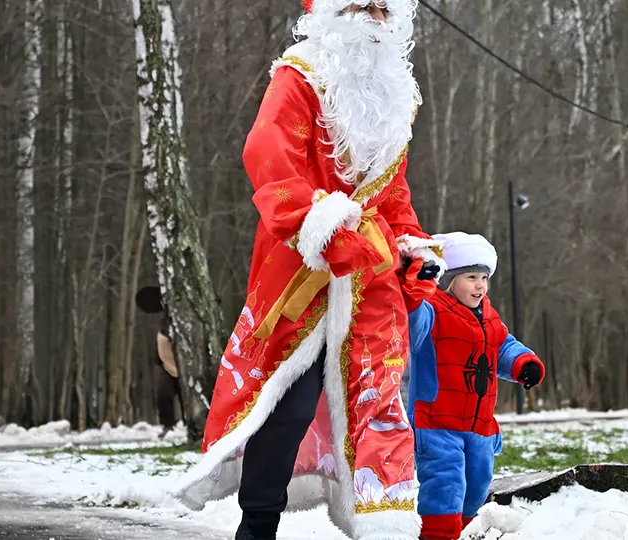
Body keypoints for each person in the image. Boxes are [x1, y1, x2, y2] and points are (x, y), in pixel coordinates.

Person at [170, 2, 444, 539]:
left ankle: (382, 527)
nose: (373, 18)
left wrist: (411, 246)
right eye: (360, 5)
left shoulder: (396, 94)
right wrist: (318, 223)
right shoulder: (300, 75)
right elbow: (267, 153)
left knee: (379, 412)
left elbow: (393, 193)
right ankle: (258, 526)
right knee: (285, 407)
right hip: (301, 272)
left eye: (384, 9)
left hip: (370, 284)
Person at [401, 232, 544, 540]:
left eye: (484, 277)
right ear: (449, 280)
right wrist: (415, 290)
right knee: (445, 483)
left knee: (477, 484)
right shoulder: (432, 309)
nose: (481, 285)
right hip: (437, 420)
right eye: (471, 277)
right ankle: (438, 533)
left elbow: (504, 346)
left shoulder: (489, 317)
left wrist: (523, 363)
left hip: (480, 425)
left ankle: (455, 528)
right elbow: (412, 324)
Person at [135, 285, 182, 438]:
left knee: (187, 395)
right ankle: (168, 425)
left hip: (184, 362)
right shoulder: (166, 319)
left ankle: (196, 424)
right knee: (163, 393)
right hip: (167, 362)